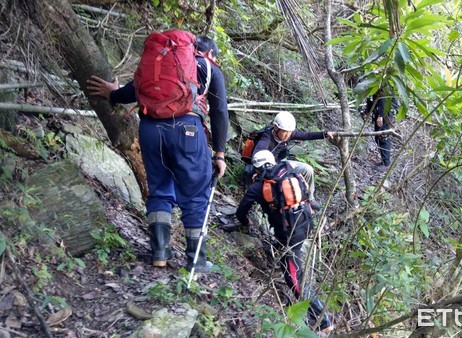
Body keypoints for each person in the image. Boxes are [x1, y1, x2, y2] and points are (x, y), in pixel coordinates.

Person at [87, 35, 229, 273]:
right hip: (187, 131)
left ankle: (160, 252)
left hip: (151, 130)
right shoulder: (208, 67)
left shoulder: (162, 62)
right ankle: (196, 261)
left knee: (160, 189)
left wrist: (112, 94)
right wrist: (220, 154)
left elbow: (136, 91)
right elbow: (220, 111)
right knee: (194, 194)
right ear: (210, 53)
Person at [235, 150, 334, 334]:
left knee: (293, 278)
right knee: (291, 263)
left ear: (257, 167)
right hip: (305, 222)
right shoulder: (290, 169)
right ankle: (313, 312)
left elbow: (241, 211)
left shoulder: (258, 187)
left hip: (290, 234)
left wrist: (245, 222)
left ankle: (322, 319)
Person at [252, 111, 335, 210]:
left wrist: (324, 134)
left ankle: (310, 198)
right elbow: (257, 154)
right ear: (276, 128)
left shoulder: (288, 133)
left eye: (289, 132)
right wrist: (262, 170)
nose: (287, 135)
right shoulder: (267, 138)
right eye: (284, 132)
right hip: (270, 168)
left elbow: (306, 135)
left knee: (307, 169)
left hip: (281, 163)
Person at [364, 89, 395, 171]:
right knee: (378, 137)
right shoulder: (375, 84)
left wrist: (381, 115)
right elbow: (374, 99)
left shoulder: (383, 83)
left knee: (383, 137)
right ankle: (384, 161)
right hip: (380, 112)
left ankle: (386, 164)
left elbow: (384, 97)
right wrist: (367, 111)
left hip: (385, 114)